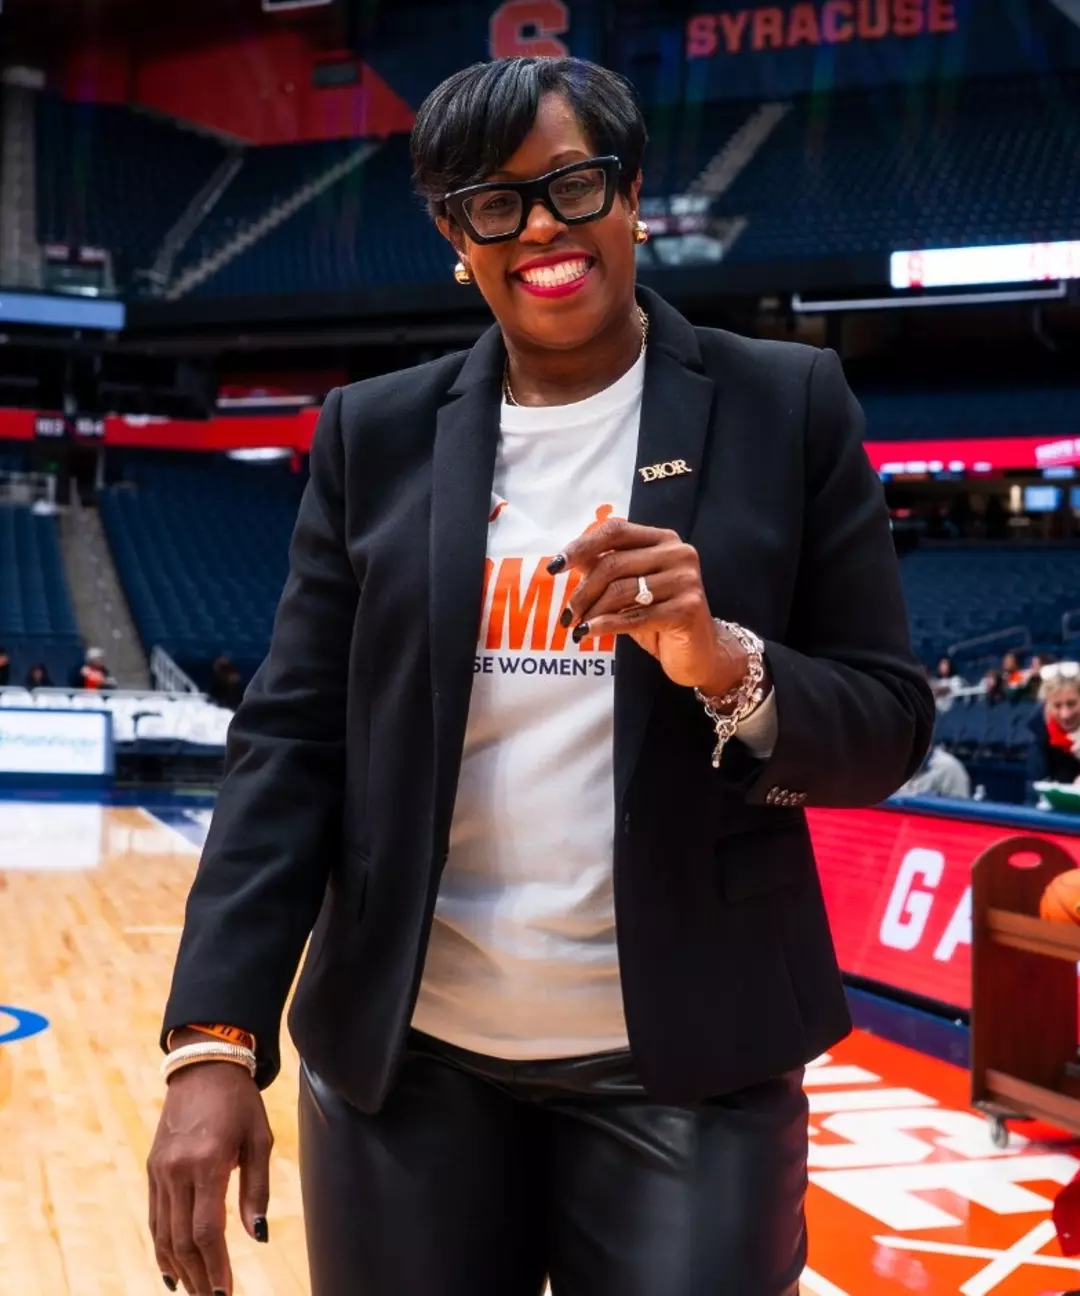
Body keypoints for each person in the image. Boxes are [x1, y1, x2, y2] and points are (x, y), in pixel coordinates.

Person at [149, 56, 933, 1296]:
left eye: (573, 184)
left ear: (630, 192)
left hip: (690, 1064)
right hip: (410, 1066)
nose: (543, 230)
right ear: (457, 235)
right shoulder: (375, 434)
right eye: (494, 204)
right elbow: (291, 748)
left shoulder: (787, 405)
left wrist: (721, 660)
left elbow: (888, 725)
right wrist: (211, 1041)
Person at [1027, 664, 1080, 796]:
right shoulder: (1039, 734)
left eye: (1072, 704)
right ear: (1047, 705)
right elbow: (1034, 792)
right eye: (1057, 706)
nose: (1065, 715)